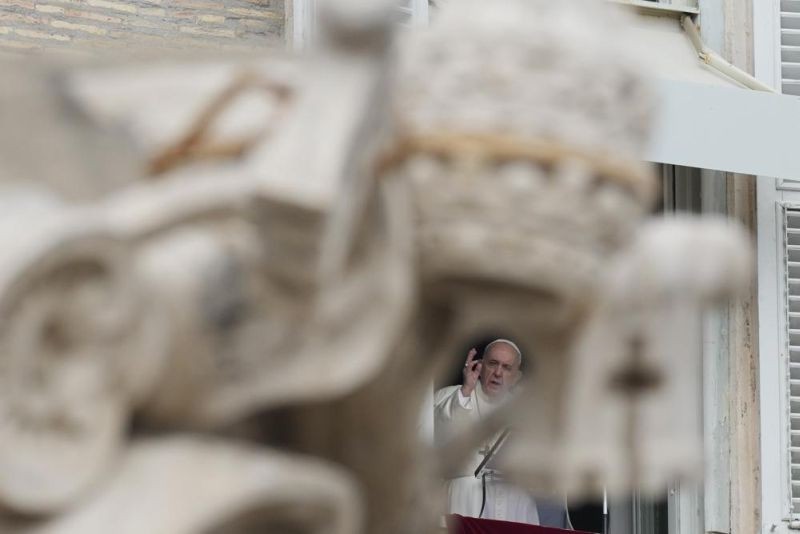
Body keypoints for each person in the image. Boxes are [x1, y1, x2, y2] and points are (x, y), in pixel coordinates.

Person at [434, 339, 540, 524]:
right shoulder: (450, 396)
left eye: (507, 367)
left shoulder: (527, 411)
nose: (498, 373)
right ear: (480, 366)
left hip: (513, 504)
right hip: (462, 501)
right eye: (493, 364)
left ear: (517, 376)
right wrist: (466, 390)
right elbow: (441, 438)